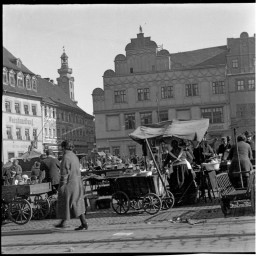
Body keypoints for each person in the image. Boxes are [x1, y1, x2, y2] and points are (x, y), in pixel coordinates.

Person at [55, 140, 88, 230]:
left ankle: (63, 222)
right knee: (75, 202)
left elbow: (64, 173)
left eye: (61, 147)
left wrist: (62, 185)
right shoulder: (74, 156)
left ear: (63, 147)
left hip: (69, 183)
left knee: (67, 202)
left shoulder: (66, 157)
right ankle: (83, 222)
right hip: (77, 182)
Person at [163, 139, 197, 204]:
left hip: (176, 169)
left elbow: (166, 162)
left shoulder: (170, 153)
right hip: (185, 167)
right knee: (187, 181)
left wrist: (163, 167)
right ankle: (188, 197)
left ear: (172, 146)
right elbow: (191, 158)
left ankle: (178, 197)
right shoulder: (183, 150)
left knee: (176, 182)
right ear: (178, 144)